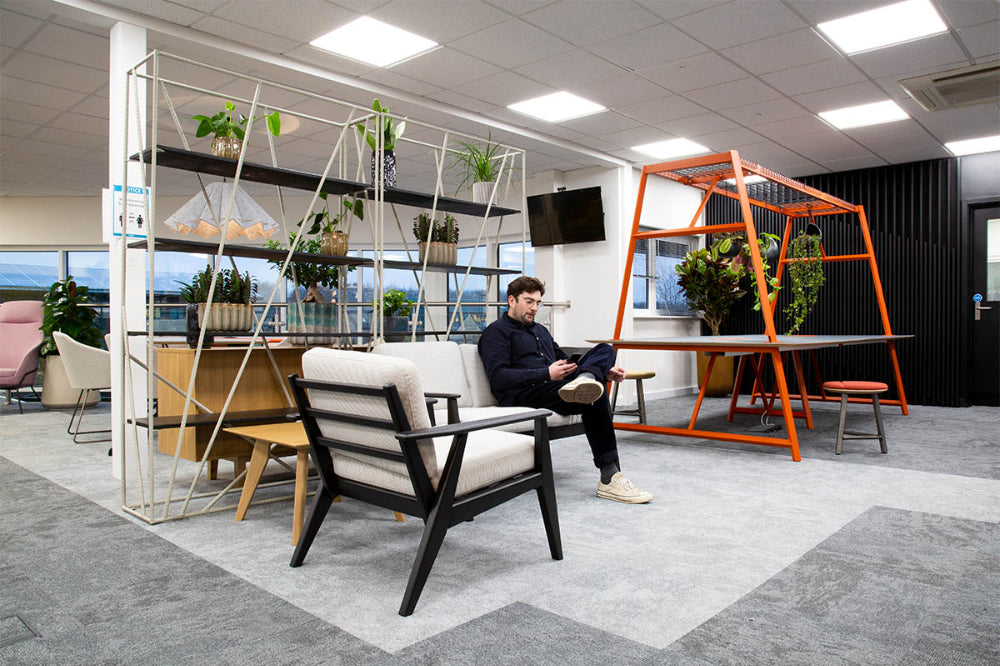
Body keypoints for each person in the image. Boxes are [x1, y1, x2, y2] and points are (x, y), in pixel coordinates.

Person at [478, 276, 652, 504]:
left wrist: (602, 371)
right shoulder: (496, 332)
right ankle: (610, 478)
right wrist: (546, 373)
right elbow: (498, 378)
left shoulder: (540, 330)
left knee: (605, 350)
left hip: (553, 387)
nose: (535, 308)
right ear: (512, 300)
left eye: (538, 303)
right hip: (523, 393)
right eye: (529, 301)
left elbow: (565, 360)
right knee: (594, 392)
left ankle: (588, 378)